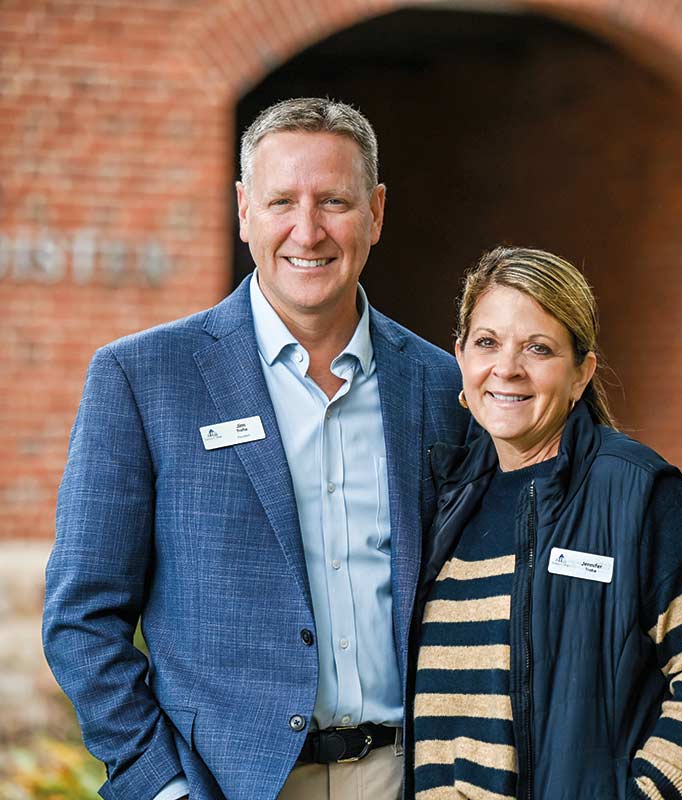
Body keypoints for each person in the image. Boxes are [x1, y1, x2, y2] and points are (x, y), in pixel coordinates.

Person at [42, 97, 469, 800]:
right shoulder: (144, 377)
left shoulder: (440, 385)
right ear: (244, 211)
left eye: (334, 200)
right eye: (281, 201)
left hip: (409, 778)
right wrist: (160, 785)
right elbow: (81, 617)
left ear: (377, 212)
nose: (308, 230)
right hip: (226, 784)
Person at [407, 247, 682, 800]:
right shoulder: (445, 499)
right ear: (461, 358)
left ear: (580, 375)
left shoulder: (641, 494)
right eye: (487, 342)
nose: (507, 368)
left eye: (538, 348)